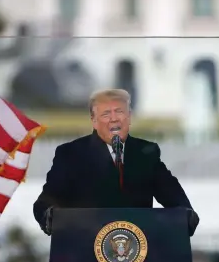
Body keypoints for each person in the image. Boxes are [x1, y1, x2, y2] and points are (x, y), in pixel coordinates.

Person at [33, 89, 199, 236]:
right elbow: (46, 200)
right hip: (85, 251)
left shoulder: (146, 153)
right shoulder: (71, 154)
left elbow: (171, 192)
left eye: (119, 112)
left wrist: (186, 214)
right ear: (94, 120)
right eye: (106, 114)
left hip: (137, 253)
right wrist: (50, 215)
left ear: (129, 117)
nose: (114, 119)